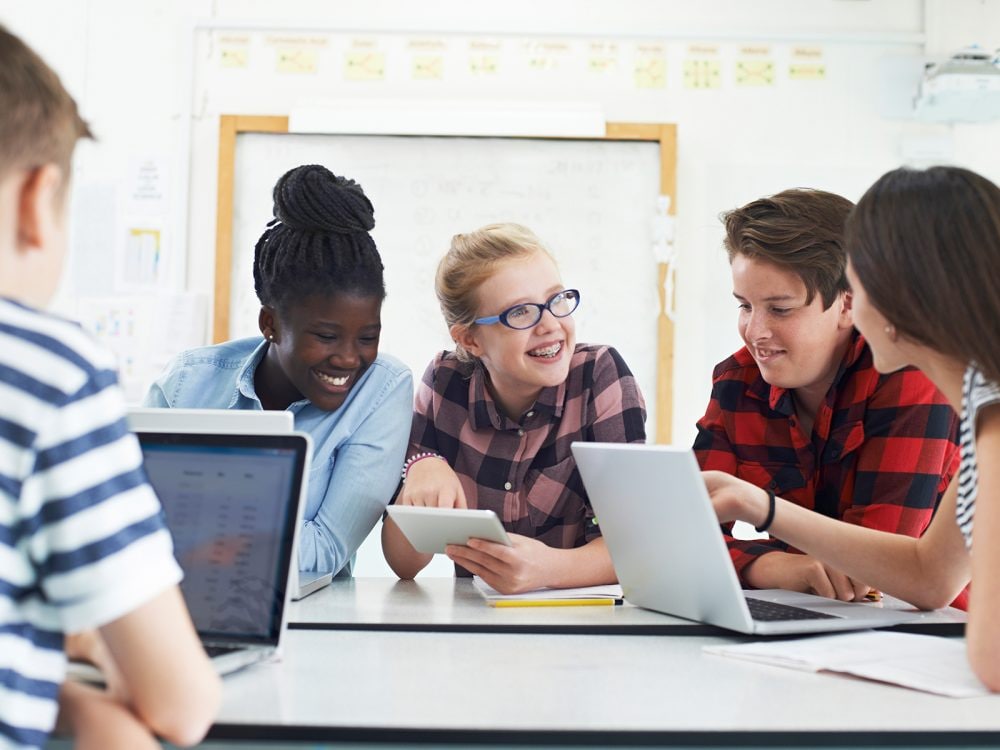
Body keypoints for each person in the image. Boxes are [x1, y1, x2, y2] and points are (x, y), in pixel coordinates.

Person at [0, 25, 219, 749]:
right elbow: (179, 706)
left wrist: (59, 695)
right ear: (39, 198)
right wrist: (89, 668)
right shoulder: (48, 371)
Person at [703, 166, 1000, 690]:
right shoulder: (984, 410)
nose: (854, 307)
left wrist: (762, 512)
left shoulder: (991, 420)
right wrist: (767, 529)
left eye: (858, 285)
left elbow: (989, 655)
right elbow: (932, 576)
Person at [694, 188, 960, 604]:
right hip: (813, 617)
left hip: (927, 629)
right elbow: (681, 536)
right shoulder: (737, 380)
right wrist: (769, 566)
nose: (755, 332)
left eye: (780, 309)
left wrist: (761, 517)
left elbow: (879, 570)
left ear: (848, 306)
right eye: (744, 306)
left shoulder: (910, 376)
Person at [145, 164, 412, 576]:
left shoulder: (381, 391)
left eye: (367, 337)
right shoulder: (187, 384)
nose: (347, 358)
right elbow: (127, 522)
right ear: (270, 324)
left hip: (309, 623)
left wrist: (192, 519)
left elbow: (325, 550)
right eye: (325, 336)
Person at [381, 223, 646, 593]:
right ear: (470, 339)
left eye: (557, 300)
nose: (550, 324)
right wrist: (419, 468)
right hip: (477, 624)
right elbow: (404, 565)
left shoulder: (599, 375)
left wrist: (549, 570)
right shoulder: (445, 381)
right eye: (520, 313)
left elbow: (637, 548)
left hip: (583, 621)